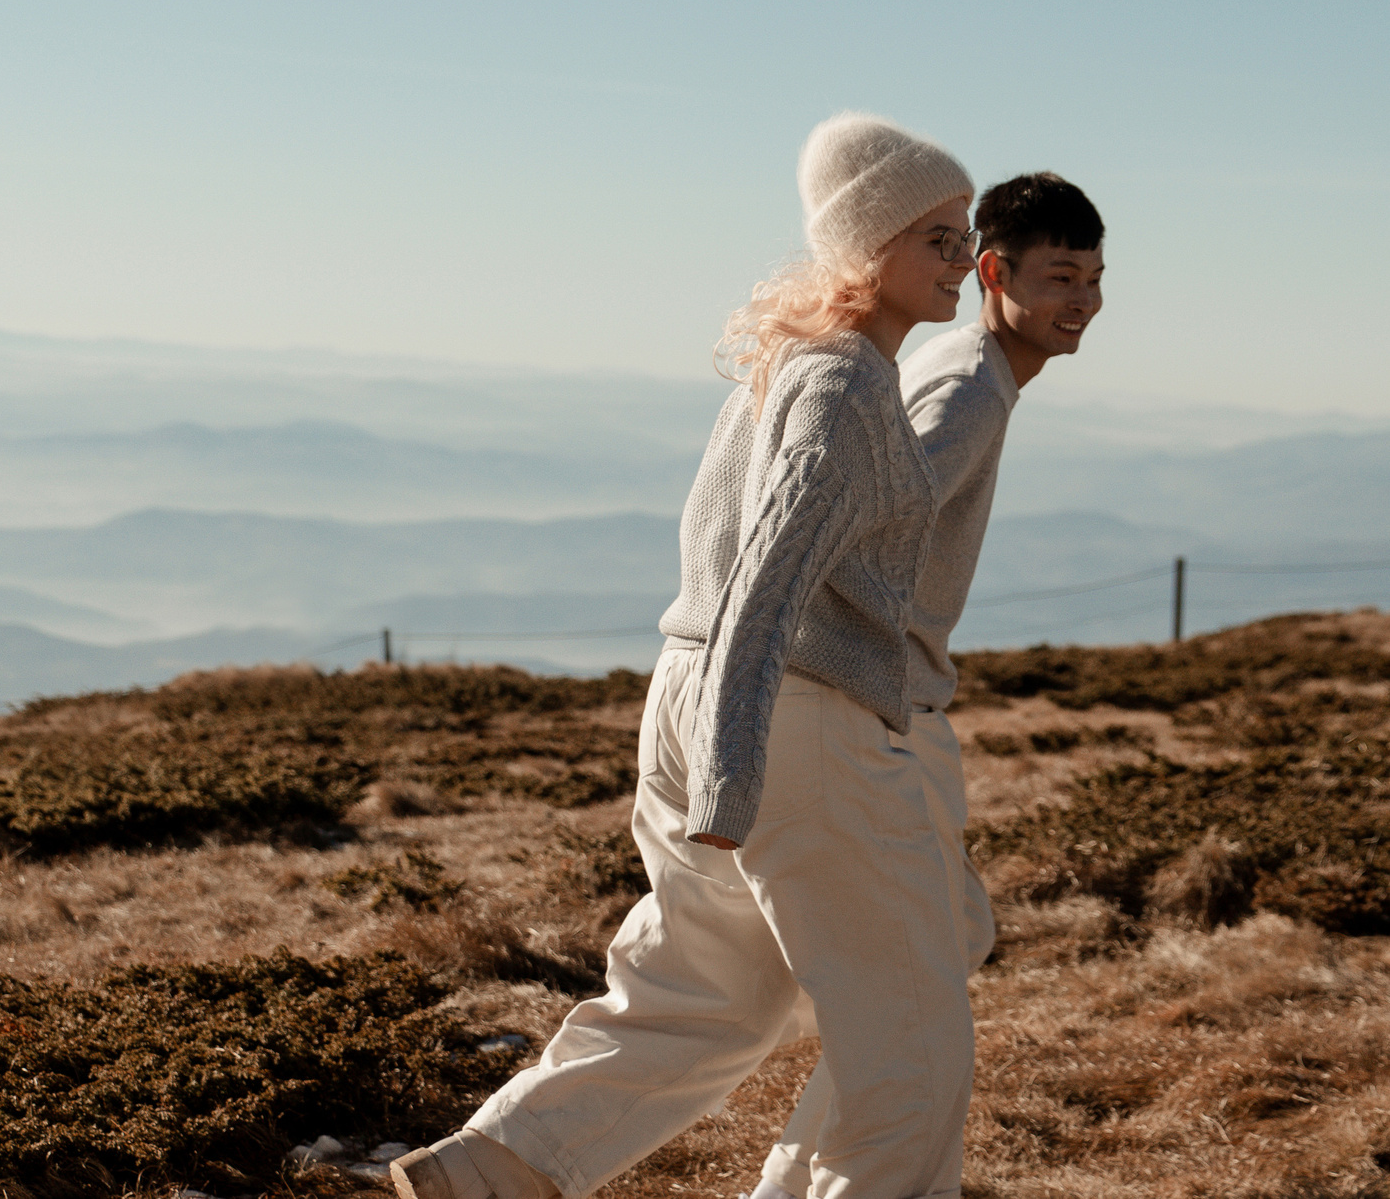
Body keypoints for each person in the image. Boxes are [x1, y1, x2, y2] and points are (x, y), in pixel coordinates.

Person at [392, 112, 981, 1199]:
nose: (961, 263)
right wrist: (733, 770)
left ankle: (497, 1171)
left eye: (966, 235)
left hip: (692, 694)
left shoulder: (786, 366)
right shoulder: (848, 384)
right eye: (938, 237)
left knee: (706, 993)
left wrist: (713, 748)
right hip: (787, 719)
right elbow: (767, 574)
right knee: (910, 1048)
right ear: (869, 243)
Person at [750, 171, 1106, 1199]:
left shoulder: (972, 370)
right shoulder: (963, 384)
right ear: (994, 273)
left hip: (883, 705)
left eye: (1091, 278)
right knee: (911, 1006)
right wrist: (871, 670)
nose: (1080, 300)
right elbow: (861, 520)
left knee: (941, 953)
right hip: (875, 713)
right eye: (1057, 276)